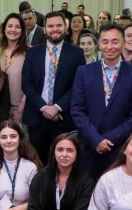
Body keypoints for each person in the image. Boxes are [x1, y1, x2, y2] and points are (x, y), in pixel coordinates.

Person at [71, 23, 132, 179]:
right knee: (86, 197)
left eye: (115, 41)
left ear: (123, 43)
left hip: (118, 149)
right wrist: (96, 139)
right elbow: (77, 110)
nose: (109, 46)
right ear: (99, 44)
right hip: (89, 148)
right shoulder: (84, 72)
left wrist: (108, 139)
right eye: (105, 42)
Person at [21, 11, 86, 162]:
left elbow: (78, 85)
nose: (54, 29)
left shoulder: (76, 53)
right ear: (44, 29)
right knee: (37, 161)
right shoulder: (32, 52)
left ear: (66, 27)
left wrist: (57, 107)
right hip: (37, 116)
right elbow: (26, 83)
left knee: (63, 162)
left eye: (59, 25)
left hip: (63, 117)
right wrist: (44, 107)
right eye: (50, 26)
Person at [0, 13, 28, 122]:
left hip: (20, 108)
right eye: (10, 26)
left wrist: (20, 110)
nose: (13, 30)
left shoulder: (29, 52)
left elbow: (32, 83)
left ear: (22, 30)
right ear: (4, 28)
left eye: (18, 27)